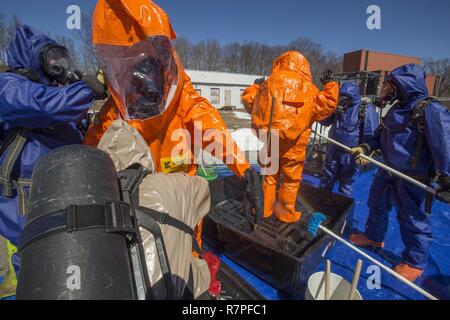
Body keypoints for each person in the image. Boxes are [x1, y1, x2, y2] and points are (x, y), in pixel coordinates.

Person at [83, 0, 264, 231]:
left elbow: (213, 133)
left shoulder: (183, 101)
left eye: (146, 64)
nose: (142, 78)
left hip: (184, 217)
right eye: (129, 65)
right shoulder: (114, 115)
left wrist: (245, 172)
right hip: (139, 226)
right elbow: (88, 158)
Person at [0, 25, 105, 280]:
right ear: (34, 59)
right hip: (25, 196)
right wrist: (91, 86)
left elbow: (69, 118)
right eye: (52, 59)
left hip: (58, 189)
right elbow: (46, 107)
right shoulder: (9, 86)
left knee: (63, 256)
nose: (59, 65)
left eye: (62, 59)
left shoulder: (52, 90)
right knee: (36, 256)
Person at [350, 64, 450, 282]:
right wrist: (366, 147)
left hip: (413, 176)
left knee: (412, 217)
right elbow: (380, 135)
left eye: (390, 85)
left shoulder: (429, 110)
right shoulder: (395, 109)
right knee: (376, 203)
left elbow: (445, 144)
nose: (386, 89)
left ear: (403, 86)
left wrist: (446, 177)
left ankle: (415, 261)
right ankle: (374, 236)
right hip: (387, 169)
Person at [241, 51, 339, 223]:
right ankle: (285, 212)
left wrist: (255, 87)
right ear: (304, 67)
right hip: (295, 146)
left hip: (270, 142)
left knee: (269, 178)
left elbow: (250, 103)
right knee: (290, 181)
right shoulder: (310, 89)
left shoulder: (267, 84)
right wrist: (331, 85)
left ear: (280, 63)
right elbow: (326, 106)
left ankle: (264, 210)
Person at [319, 82, 379, 197]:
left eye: (347, 99)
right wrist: (329, 108)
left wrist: (366, 151)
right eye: (342, 98)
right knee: (326, 180)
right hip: (333, 150)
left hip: (351, 154)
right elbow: (324, 121)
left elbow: (371, 134)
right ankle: (321, 205)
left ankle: (342, 209)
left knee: (346, 185)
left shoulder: (365, 109)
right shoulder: (339, 107)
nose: (344, 101)